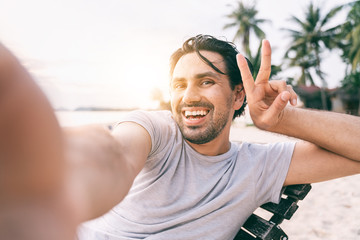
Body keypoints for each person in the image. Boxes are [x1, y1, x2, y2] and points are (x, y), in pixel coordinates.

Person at [0, 34, 359, 240]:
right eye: (179, 85)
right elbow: (111, 156)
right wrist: (54, 189)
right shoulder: (156, 131)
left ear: (238, 96)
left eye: (206, 81)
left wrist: (283, 120)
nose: (188, 97)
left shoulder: (259, 165)